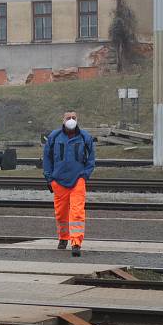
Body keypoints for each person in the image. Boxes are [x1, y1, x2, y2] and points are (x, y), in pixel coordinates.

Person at [42, 110, 96, 257]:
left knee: (77, 212)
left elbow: (91, 159)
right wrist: (49, 178)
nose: (71, 120)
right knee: (61, 214)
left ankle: (76, 243)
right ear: (63, 119)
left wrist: (84, 176)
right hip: (58, 181)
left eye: (73, 117)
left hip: (78, 179)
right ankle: (63, 238)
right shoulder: (54, 136)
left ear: (77, 119)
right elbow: (46, 158)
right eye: (68, 117)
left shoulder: (85, 137)